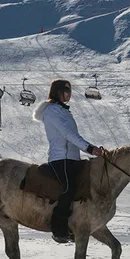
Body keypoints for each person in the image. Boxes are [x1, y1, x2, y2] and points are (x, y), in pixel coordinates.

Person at [32, 79, 106, 243]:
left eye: (70, 90)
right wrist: (89, 148)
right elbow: (67, 134)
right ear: (57, 92)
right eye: (66, 90)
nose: (69, 93)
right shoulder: (52, 111)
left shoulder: (64, 111)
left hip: (72, 158)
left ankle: (76, 223)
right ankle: (58, 230)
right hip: (61, 159)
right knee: (68, 189)